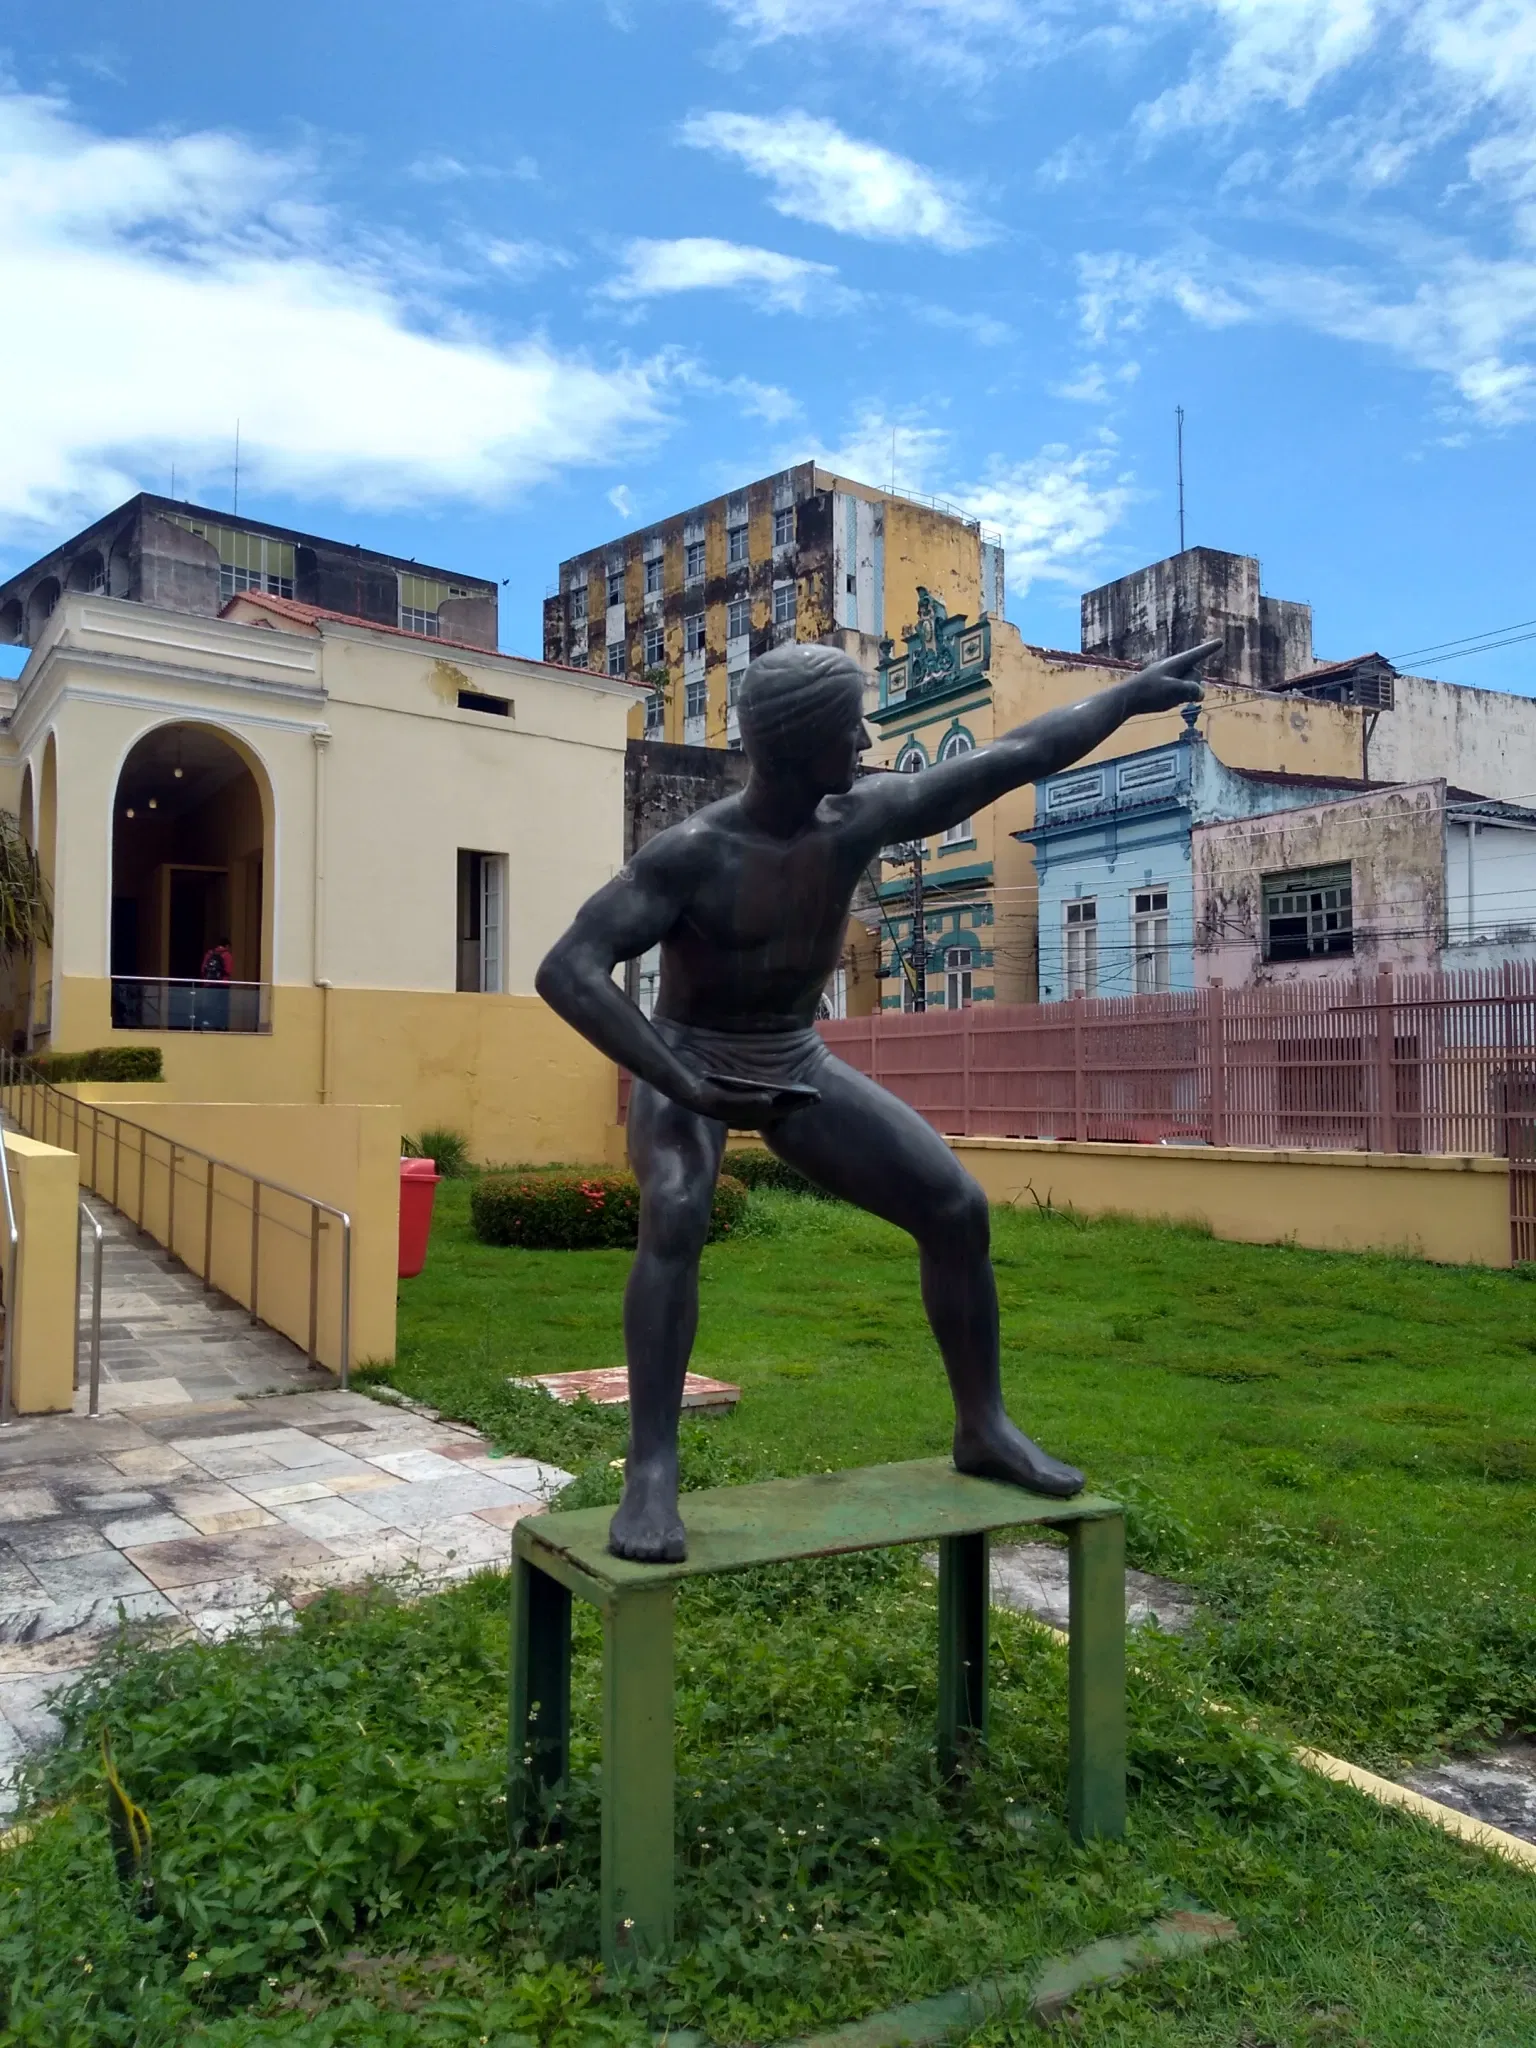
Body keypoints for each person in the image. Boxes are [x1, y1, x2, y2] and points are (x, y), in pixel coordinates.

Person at [537, 637, 1219, 1561]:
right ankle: (652, 1471)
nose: (865, 739)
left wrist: (1128, 697)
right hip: (693, 1059)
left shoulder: (855, 820)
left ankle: (984, 1428)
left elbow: (1015, 755)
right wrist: (679, 1080)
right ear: (796, 743)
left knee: (955, 1206)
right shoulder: (691, 854)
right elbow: (568, 970)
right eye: (849, 725)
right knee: (677, 1210)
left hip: (792, 1060)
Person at [198, 937, 234, 1031]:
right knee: (222, 1006)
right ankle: (221, 1025)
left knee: (209, 1004)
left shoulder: (209, 954)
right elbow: (228, 970)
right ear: (227, 946)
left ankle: (207, 1023)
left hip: (209, 984)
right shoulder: (227, 955)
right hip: (223, 984)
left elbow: (203, 969)